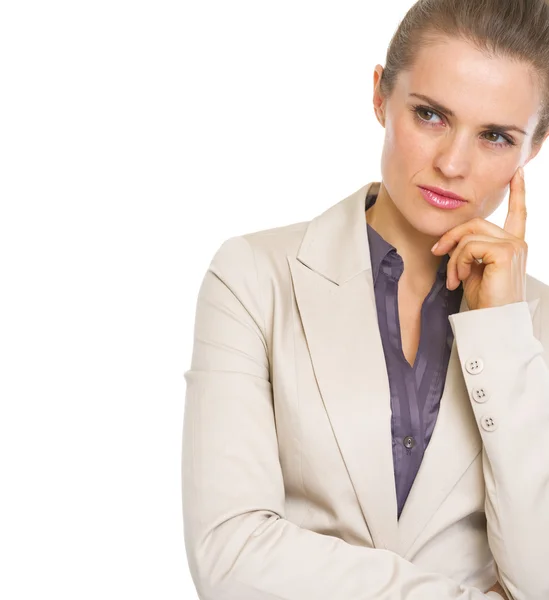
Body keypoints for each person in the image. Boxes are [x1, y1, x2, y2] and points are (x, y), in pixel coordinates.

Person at [182, 1, 549, 598]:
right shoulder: (253, 278)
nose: (452, 164)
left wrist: (504, 333)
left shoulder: (539, 322)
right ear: (380, 96)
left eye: (495, 136)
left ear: (532, 147)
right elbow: (229, 554)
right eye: (430, 115)